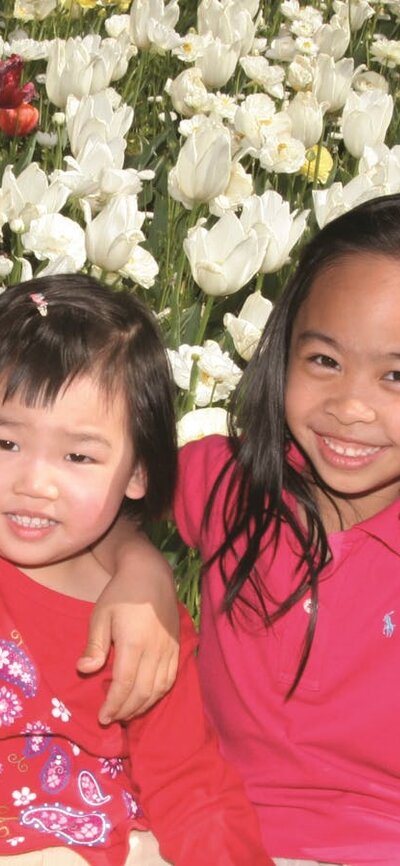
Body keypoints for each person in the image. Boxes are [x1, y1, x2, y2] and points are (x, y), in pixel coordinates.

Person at [88, 192, 400, 866]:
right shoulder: (230, 486)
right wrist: (140, 566)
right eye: (324, 361)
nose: (350, 406)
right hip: (201, 826)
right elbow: (103, 506)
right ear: (282, 351)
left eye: (396, 376)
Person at [0, 273, 271, 866]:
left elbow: (190, 786)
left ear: (137, 474)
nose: (33, 483)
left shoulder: (145, 622)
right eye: (5, 442)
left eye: (78, 456)